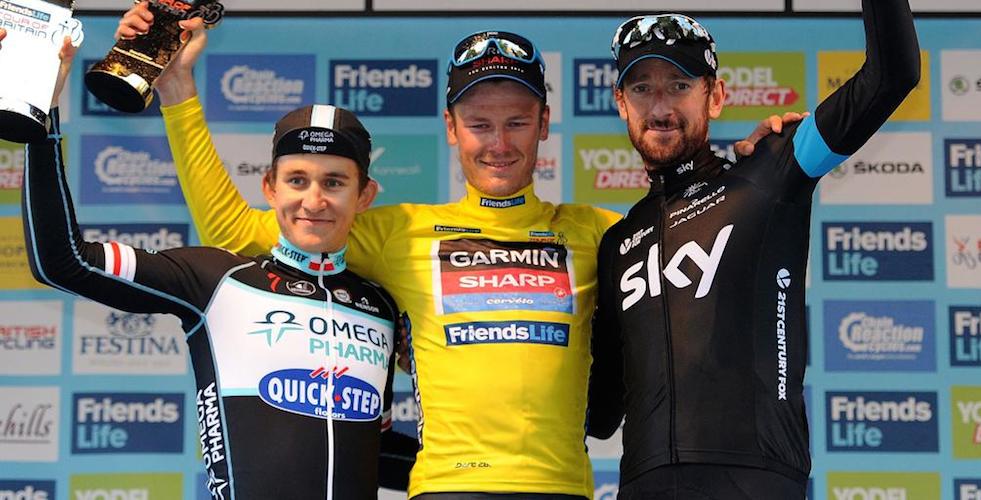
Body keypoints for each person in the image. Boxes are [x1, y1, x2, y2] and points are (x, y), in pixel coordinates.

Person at [115, 7, 796, 497]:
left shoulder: (602, 233)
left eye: (516, 122)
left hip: (562, 488)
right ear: (450, 127)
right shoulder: (401, 230)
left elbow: (700, 232)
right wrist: (176, 90)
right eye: (478, 123)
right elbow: (236, 230)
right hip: (445, 487)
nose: (498, 143)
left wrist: (747, 165)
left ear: (544, 125)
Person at [21, 36, 414, 499]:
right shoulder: (217, 279)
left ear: (364, 196)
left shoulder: (380, 306)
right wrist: (42, 118)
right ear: (270, 188)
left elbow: (373, 451)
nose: (313, 201)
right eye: (297, 180)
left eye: (333, 183)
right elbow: (62, 262)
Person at [587, 1, 920, 498]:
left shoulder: (771, 170)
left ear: (715, 96)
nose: (660, 108)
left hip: (754, 478)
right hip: (643, 485)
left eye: (679, 86)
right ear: (621, 103)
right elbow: (601, 413)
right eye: (642, 89)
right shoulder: (618, 242)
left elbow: (892, 76)